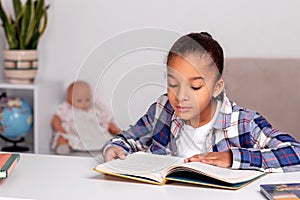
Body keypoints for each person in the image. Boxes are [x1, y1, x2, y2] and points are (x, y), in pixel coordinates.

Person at [103, 32, 300, 172]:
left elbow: (295, 153)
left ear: (217, 87)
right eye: (172, 84)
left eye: (195, 87)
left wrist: (233, 158)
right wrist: (115, 148)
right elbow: (126, 139)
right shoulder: (162, 110)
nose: (181, 96)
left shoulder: (243, 123)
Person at [52, 80, 121, 155]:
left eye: (87, 99)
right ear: (69, 100)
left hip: (95, 134)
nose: (84, 103)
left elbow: (106, 121)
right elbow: (56, 119)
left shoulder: (94, 110)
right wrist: (61, 130)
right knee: (62, 137)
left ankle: (114, 147)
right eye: (79, 100)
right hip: (76, 135)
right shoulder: (68, 110)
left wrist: (115, 129)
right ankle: (63, 146)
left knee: (109, 140)